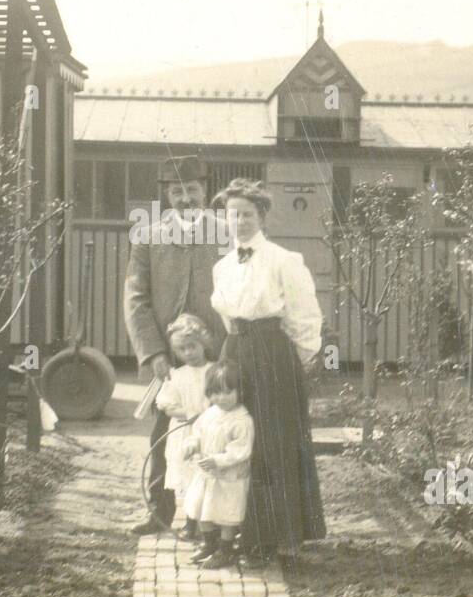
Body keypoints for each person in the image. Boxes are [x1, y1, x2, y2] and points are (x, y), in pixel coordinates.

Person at [210, 177, 327, 566]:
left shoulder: (283, 260)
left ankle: (274, 539)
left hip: (272, 355)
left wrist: (299, 361)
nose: (240, 221)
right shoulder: (222, 266)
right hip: (237, 351)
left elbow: (305, 316)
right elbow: (228, 318)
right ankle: (232, 535)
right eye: (233, 215)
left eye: (247, 214)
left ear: (262, 216)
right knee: (233, 437)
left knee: (272, 444)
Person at [124, 155, 228, 535]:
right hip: (168, 361)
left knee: (216, 435)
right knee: (165, 436)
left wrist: (229, 353)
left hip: (216, 357)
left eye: (193, 190)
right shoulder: (148, 237)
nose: (186, 198)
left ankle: (208, 519)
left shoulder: (226, 233)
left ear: (205, 190)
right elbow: (136, 298)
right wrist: (152, 352)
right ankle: (159, 512)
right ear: (167, 195)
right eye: (177, 191)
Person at [182, 361, 254, 569]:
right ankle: (209, 544)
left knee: (225, 515)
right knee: (202, 510)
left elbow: (240, 451)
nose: (220, 398)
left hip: (228, 477)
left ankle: (226, 550)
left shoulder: (242, 420)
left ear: (239, 391)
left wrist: (218, 460)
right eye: (215, 393)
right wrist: (191, 445)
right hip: (206, 475)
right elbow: (197, 433)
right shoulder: (210, 413)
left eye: (227, 392)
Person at [154, 314, 214, 541]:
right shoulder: (176, 376)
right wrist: (189, 413)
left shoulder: (215, 370)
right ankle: (190, 523)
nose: (188, 352)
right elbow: (168, 407)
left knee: (207, 475)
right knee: (188, 477)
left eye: (192, 346)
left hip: (210, 432)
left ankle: (210, 524)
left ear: (203, 344)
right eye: (182, 349)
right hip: (184, 431)